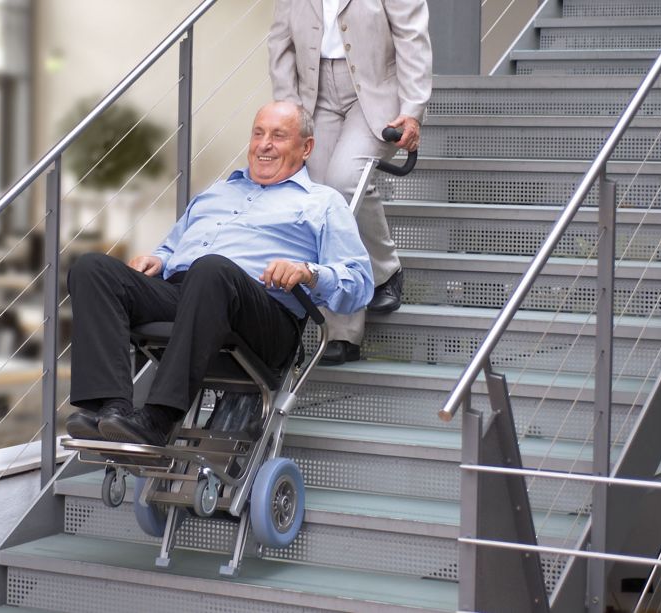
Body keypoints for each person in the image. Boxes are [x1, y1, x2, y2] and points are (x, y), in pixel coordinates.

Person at [64, 101, 374, 447]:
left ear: (306, 148)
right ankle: (111, 410)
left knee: (212, 270)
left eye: (278, 135)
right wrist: (160, 261)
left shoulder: (323, 202)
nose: (264, 144)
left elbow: (360, 284)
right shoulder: (216, 192)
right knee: (92, 268)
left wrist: (309, 272)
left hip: (263, 313)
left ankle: (158, 418)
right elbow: (173, 247)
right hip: (191, 293)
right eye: (258, 133)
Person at [268, 0, 432, 365]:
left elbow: (412, 38)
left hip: (375, 95)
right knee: (322, 197)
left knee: (344, 181)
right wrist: (289, 109)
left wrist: (413, 108)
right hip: (314, 97)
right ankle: (341, 333)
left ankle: (384, 269)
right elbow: (280, 45)